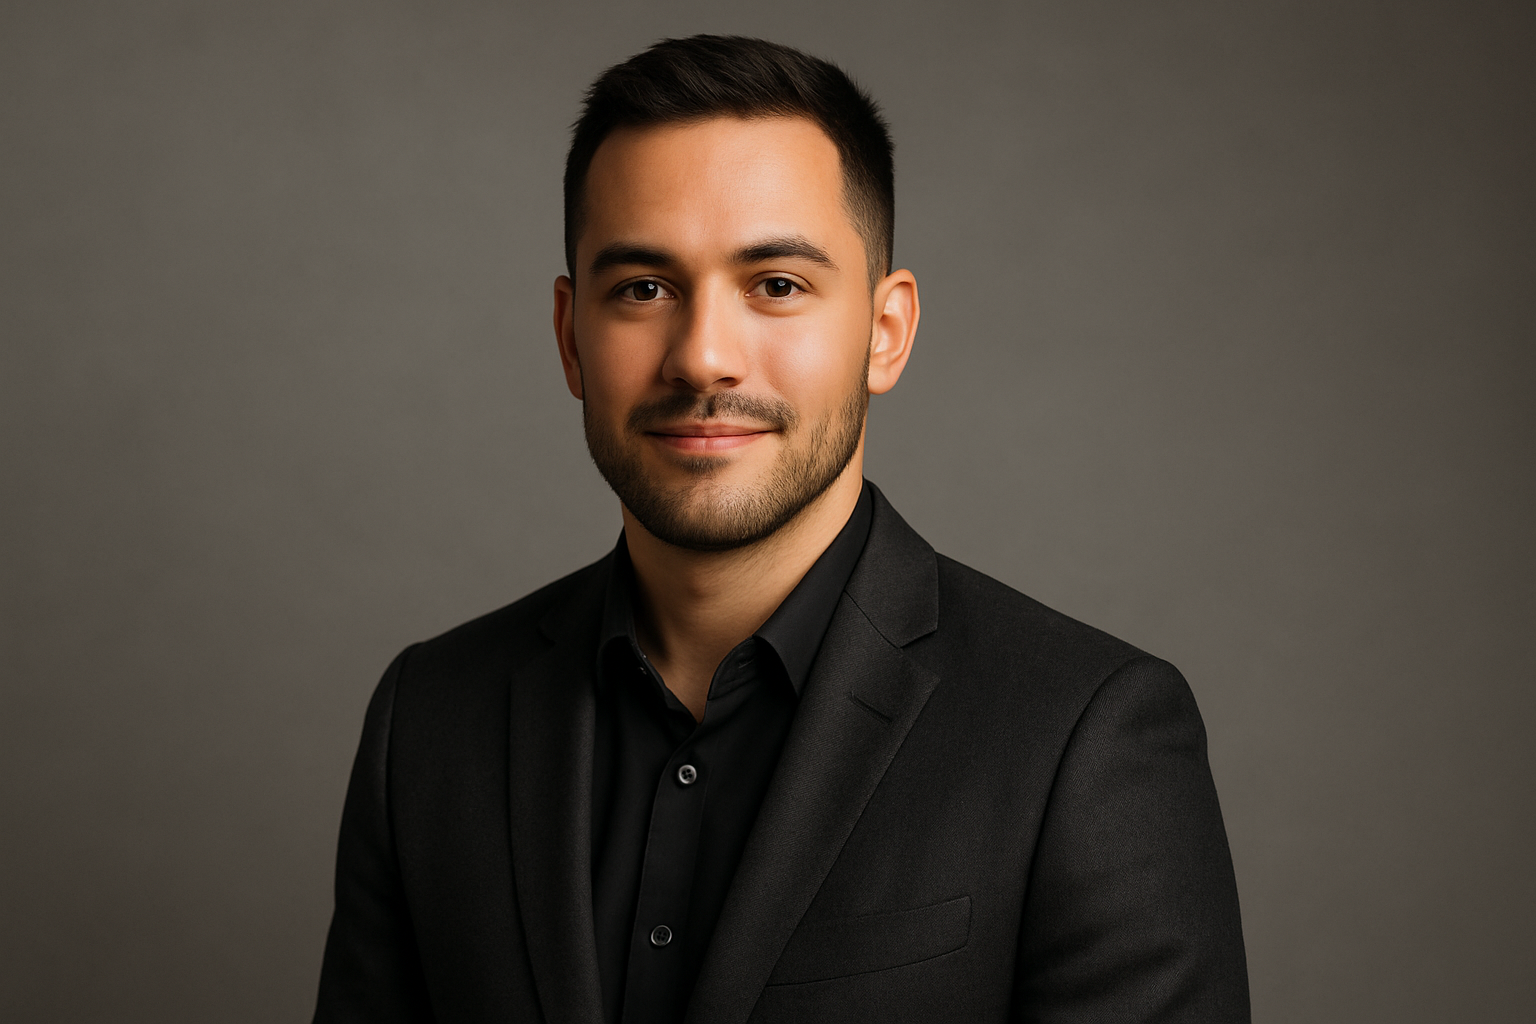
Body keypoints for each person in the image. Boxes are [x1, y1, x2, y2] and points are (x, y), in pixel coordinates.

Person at [313, 34, 1249, 1024]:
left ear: (885, 331)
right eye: (642, 288)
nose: (703, 357)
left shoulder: (1083, 737)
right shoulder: (430, 721)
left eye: (777, 285)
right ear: (569, 336)